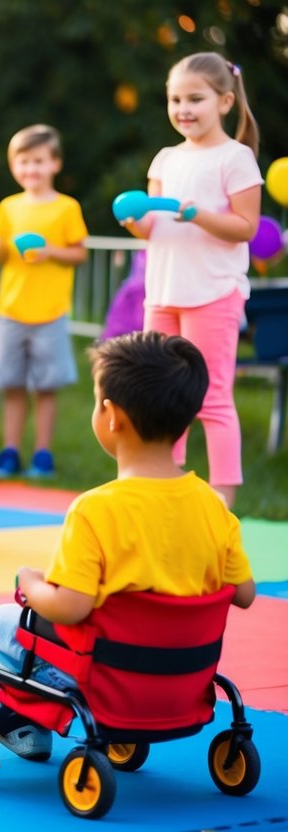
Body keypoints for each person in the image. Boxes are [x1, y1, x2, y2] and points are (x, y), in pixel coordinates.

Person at [0, 332, 255, 760]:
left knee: (1, 622)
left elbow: (70, 609)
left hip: (107, 680)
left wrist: (31, 584)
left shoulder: (95, 511)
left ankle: (19, 718)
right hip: (182, 680)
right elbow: (245, 594)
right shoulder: (214, 507)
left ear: (111, 415)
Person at [120, 52, 262, 508]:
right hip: (163, 291)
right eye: (175, 99)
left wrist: (197, 214)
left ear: (224, 101)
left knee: (212, 396)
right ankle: (167, 487)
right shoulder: (164, 159)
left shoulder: (235, 158)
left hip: (213, 292)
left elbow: (246, 228)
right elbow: (154, 228)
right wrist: (134, 219)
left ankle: (223, 498)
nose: (183, 108)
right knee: (160, 393)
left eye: (195, 99)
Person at [0, 125, 88, 479]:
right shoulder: (8, 207)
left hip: (51, 312)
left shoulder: (66, 207)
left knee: (46, 386)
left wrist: (48, 252)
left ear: (55, 164)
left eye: (39, 161)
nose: (31, 169)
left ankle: (42, 454)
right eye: (23, 162)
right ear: (14, 166)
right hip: (11, 310)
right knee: (11, 385)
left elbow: (79, 254)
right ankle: (10, 451)